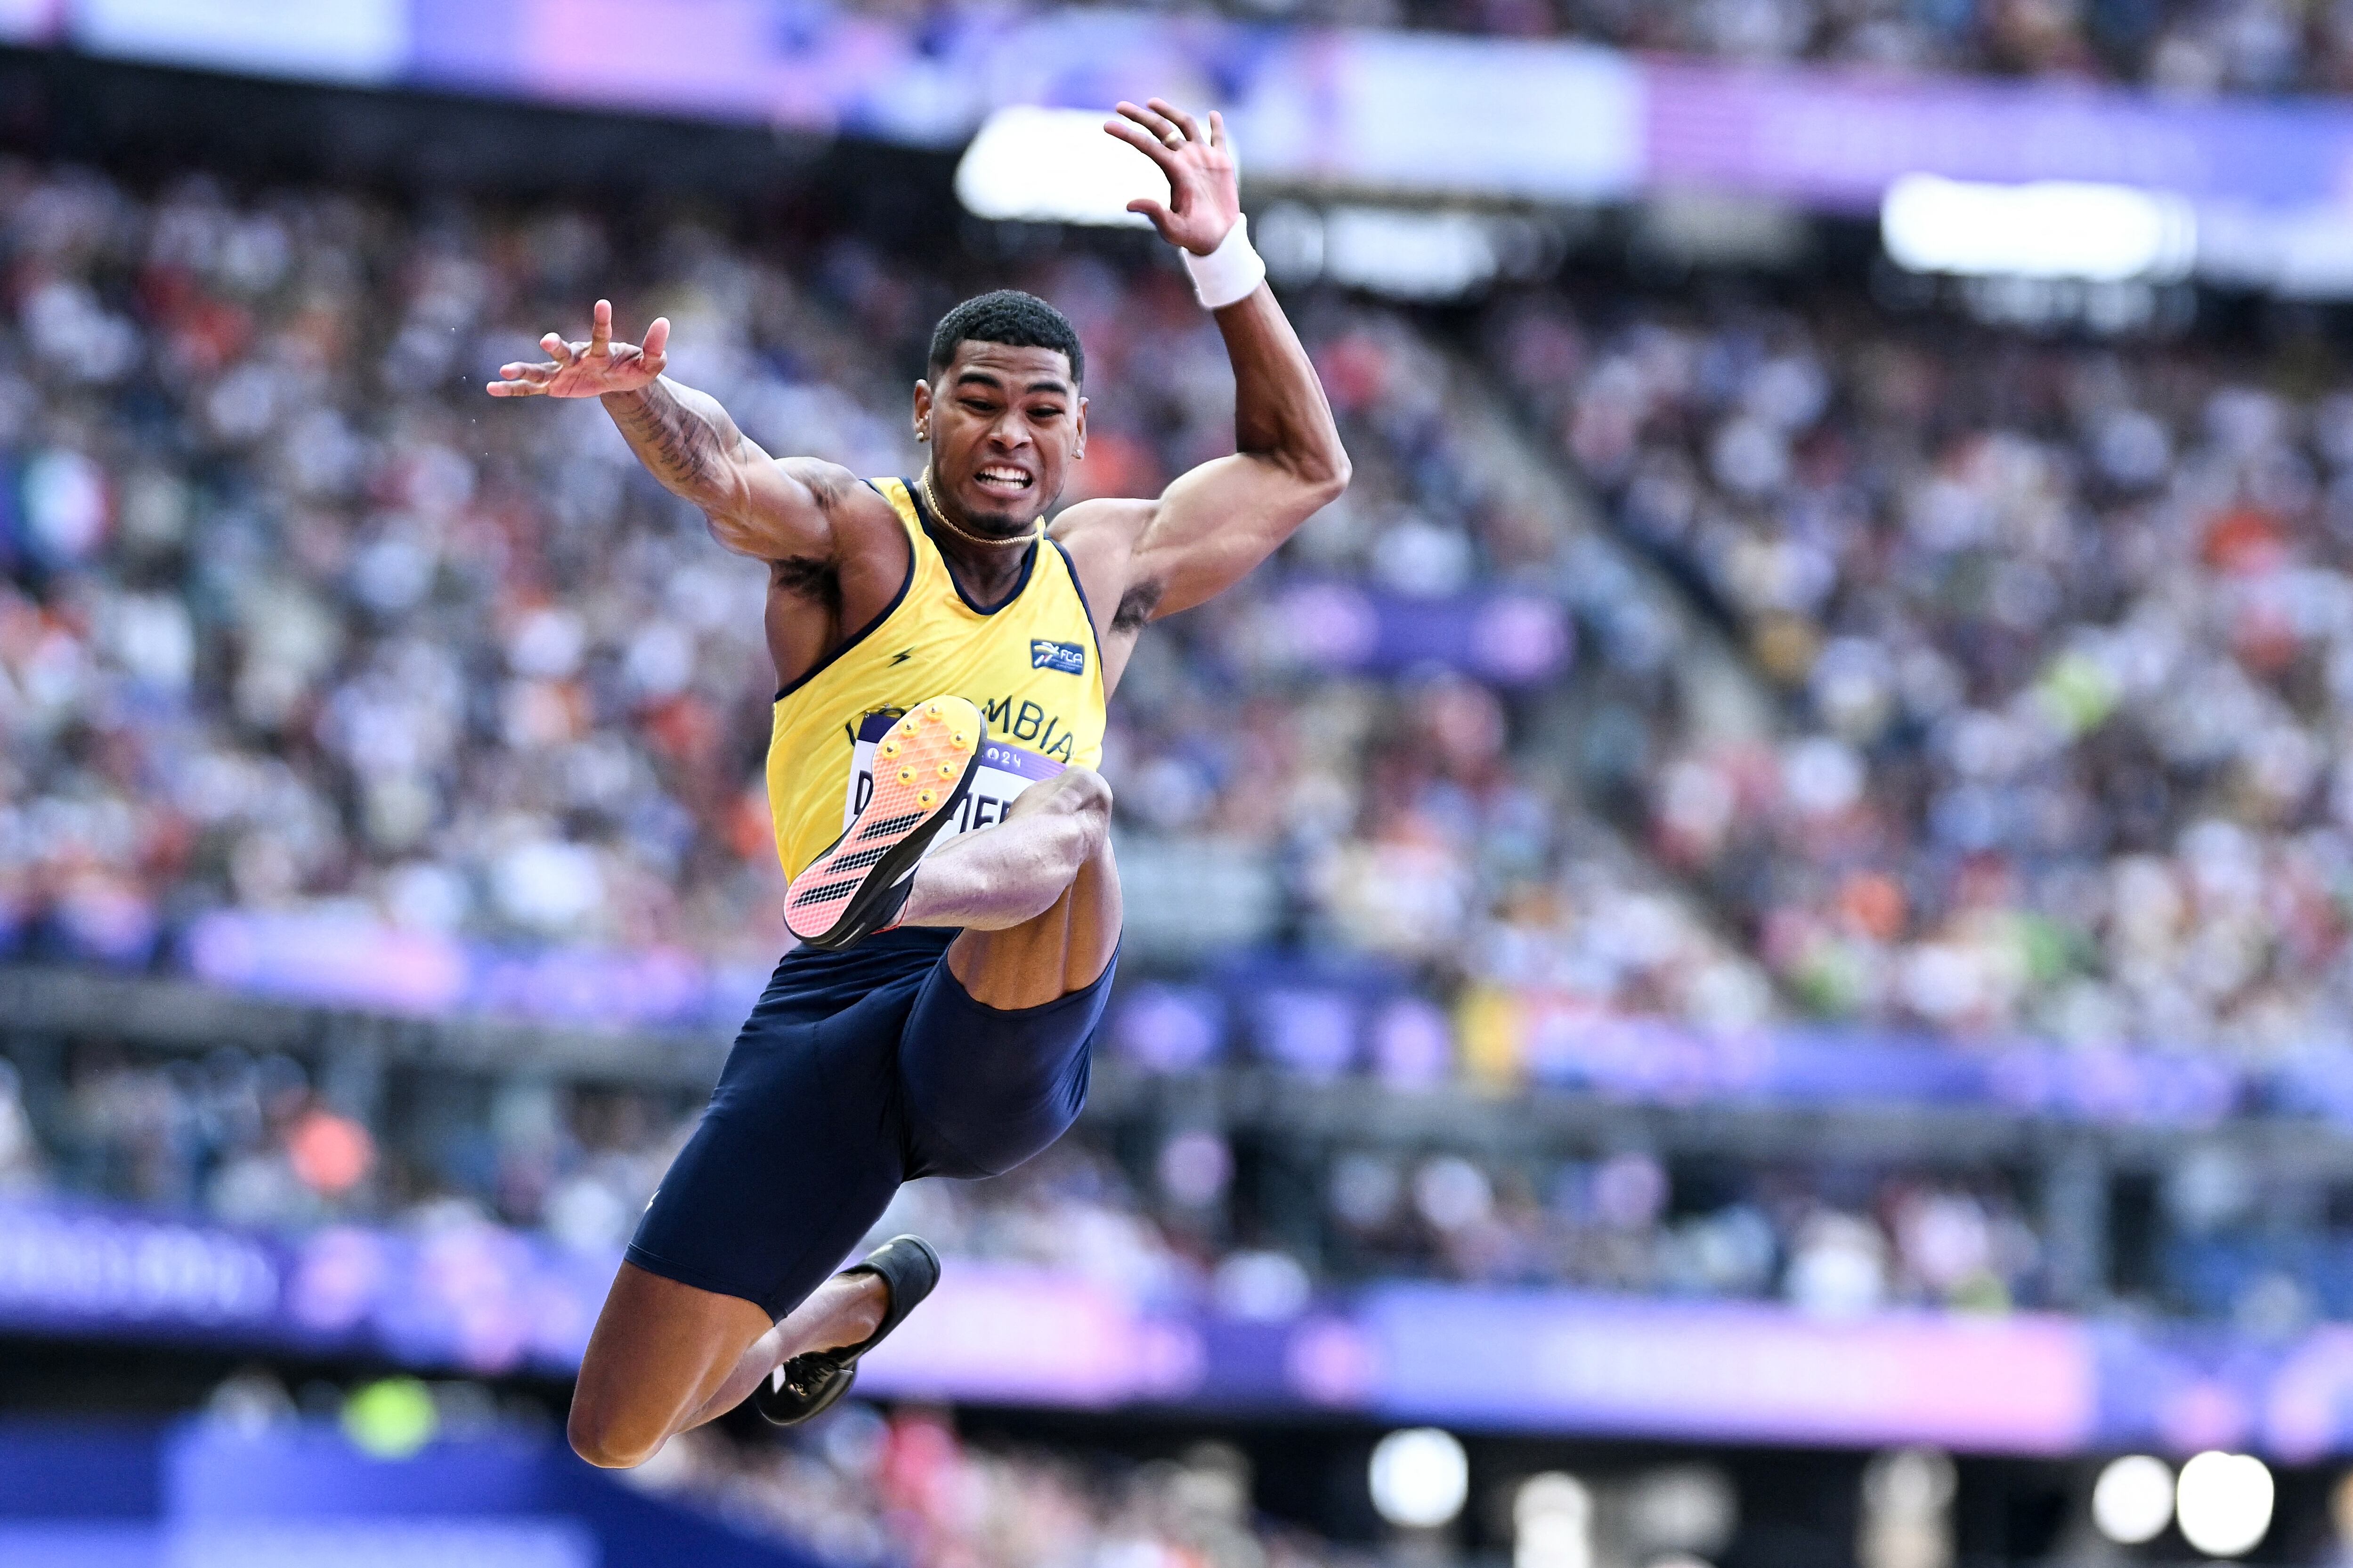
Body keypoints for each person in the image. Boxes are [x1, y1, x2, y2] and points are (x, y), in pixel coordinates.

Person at [487, 97, 1348, 1467]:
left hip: (1003, 1007)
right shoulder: (855, 538)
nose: (1010, 433)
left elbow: (1305, 465)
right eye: (980, 401)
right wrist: (635, 394)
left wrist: (1223, 256)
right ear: (924, 410)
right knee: (615, 1429)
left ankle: (900, 867)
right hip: (832, 1010)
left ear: (1076, 438)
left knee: (1077, 812)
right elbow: (729, 471)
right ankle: (847, 1303)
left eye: (1041, 411)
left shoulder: (1105, 568)